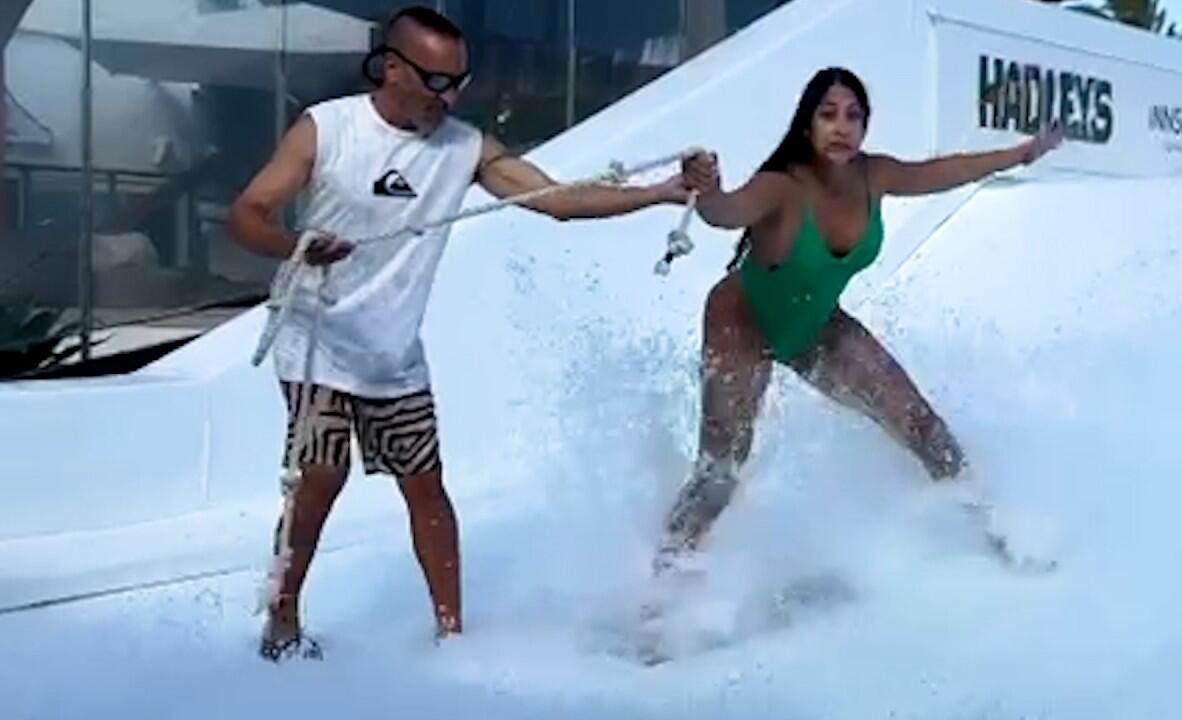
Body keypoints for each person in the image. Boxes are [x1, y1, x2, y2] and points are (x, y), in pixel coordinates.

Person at [227, 5, 696, 662]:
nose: (449, 98)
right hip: (317, 343)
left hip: (393, 358)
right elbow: (246, 214)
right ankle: (282, 622)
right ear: (392, 69)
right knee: (322, 475)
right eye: (437, 81)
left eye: (459, 83)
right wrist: (295, 244)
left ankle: (451, 634)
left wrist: (662, 192)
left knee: (426, 489)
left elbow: (558, 201)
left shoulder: (464, 147)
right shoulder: (327, 128)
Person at [655, 67, 1062, 572]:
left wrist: (1021, 154)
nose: (841, 127)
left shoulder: (875, 175)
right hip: (741, 321)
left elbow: (943, 171)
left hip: (816, 327)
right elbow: (725, 212)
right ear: (807, 125)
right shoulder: (782, 185)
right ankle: (663, 586)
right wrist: (710, 189)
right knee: (720, 472)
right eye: (828, 115)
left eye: (853, 116)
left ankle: (993, 538)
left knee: (924, 427)